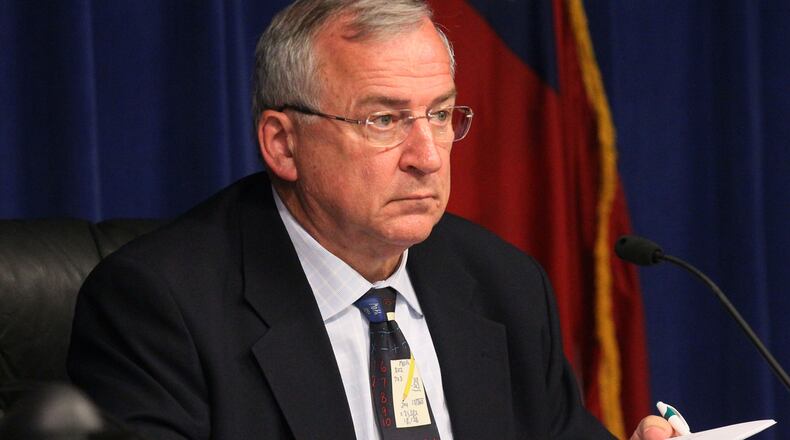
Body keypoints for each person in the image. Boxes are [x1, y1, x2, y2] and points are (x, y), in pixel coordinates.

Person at [67, 1, 676, 439]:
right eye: (383, 120)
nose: (428, 157)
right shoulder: (160, 304)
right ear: (283, 144)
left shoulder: (502, 284)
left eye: (440, 115)